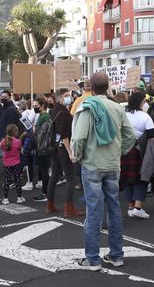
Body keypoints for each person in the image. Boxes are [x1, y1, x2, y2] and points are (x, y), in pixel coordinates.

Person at [71, 71, 136, 270]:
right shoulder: (117, 107)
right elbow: (131, 136)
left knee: (93, 212)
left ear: (89, 87)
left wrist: (78, 155)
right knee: (115, 209)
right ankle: (116, 255)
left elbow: (79, 137)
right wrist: (120, 150)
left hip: (92, 164)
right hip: (112, 164)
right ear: (107, 87)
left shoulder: (87, 107)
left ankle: (92, 258)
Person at [46, 88, 84, 217]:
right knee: (70, 178)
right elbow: (64, 135)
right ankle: (69, 208)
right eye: (66, 95)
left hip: (55, 147)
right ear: (60, 98)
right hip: (63, 147)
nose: (70, 97)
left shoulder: (53, 110)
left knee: (55, 175)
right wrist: (70, 153)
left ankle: (49, 205)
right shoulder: (63, 112)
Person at [122, 91, 154, 219]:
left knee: (127, 179)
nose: (145, 104)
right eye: (144, 101)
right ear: (140, 103)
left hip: (123, 149)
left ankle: (131, 207)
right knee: (141, 177)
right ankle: (138, 207)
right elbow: (153, 133)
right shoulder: (144, 116)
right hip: (139, 150)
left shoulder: (123, 114)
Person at [1, 124, 26, 205]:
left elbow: (0, 147)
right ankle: (19, 197)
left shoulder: (3, 141)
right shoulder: (18, 142)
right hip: (16, 163)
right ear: (15, 133)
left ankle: (5, 198)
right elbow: (20, 149)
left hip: (6, 163)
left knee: (6, 181)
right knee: (17, 180)